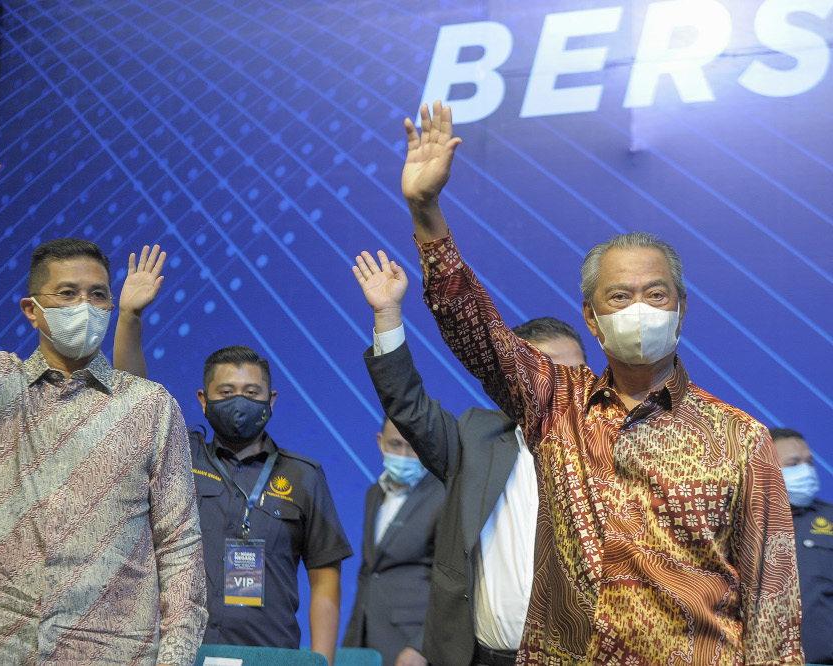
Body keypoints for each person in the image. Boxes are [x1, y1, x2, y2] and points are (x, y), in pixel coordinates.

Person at [373, 100, 802, 665]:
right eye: (619, 297)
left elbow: (773, 606)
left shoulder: (741, 439)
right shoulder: (555, 405)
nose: (641, 308)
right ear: (593, 319)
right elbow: (471, 322)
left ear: (682, 309)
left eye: (656, 294)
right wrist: (425, 209)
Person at [0, 117, 206, 665]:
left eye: (97, 296)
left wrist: (177, 658)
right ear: (32, 310)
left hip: (112, 651)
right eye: (66, 294)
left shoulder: (149, 407)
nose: (85, 307)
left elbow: (180, 548)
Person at [352, 251, 586, 666]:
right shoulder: (474, 438)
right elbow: (408, 405)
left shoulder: (615, 449)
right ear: (514, 378)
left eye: (577, 372)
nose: (566, 386)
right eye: (547, 372)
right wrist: (387, 314)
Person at [114, 281, 353, 666]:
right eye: (226, 393)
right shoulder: (179, 457)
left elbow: (325, 580)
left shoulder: (304, 475)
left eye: (251, 392)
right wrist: (130, 317)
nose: (239, 402)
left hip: (269, 655)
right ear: (202, 400)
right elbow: (133, 400)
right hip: (179, 652)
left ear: (270, 401)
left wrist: (320, 663)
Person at [342, 417, 444, 666]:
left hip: (412, 647)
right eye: (395, 445)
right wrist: (350, 643)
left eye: (412, 446)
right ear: (380, 442)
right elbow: (369, 572)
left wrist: (421, 646)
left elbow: (451, 582)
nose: (404, 454)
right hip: (365, 641)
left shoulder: (444, 494)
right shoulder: (373, 494)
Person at [771, 427, 832, 664]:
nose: (805, 471)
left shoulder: (830, 518)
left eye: (809, 462)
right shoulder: (737, 521)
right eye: (794, 463)